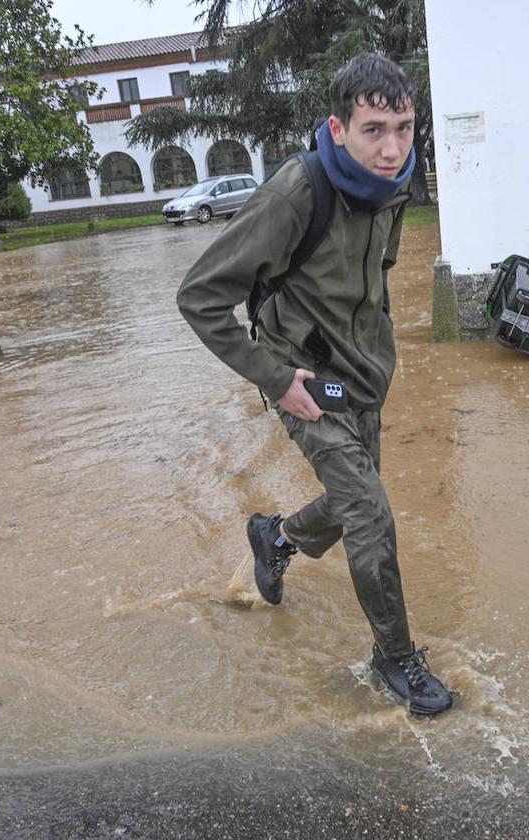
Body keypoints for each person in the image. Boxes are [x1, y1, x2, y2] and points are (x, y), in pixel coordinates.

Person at [176, 53, 452, 716]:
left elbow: (373, 283)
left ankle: (277, 538)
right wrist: (277, 379)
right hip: (303, 380)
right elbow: (200, 297)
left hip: (364, 377)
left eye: (405, 128)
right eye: (374, 129)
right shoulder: (296, 192)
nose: (392, 148)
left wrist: (378, 362)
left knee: (359, 501)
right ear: (338, 128)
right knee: (370, 512)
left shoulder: (396, 185)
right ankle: (394, 661)